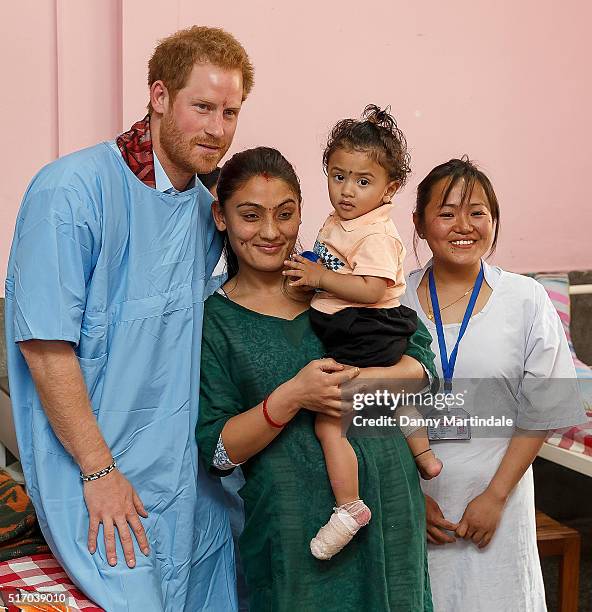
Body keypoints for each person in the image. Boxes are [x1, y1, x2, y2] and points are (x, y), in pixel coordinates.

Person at [4, 26, 253, 611]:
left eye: (230, 112)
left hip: (189, 483)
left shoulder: (202, 211)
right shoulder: (72, 190)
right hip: (98, 476)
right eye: (202, 107)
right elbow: (44, 347)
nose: (218, 129)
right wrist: (97, 472)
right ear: (159, 96)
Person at [197, 146, 435, 612]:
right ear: (220, 217)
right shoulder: (216, 322)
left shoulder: (341, 280)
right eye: (250, 215)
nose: (270, 232)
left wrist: (354, 382)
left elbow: (420, 369)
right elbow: (218, 450)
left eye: (285, 214)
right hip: (294, 532)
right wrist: (292, 396)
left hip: (388, 510)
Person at [401, 157, 587, 611]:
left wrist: (495, 497)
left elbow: (542, 408)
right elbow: (372, 407)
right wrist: (409, 500)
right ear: (420, 224)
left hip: (499, 503)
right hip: (416, 508)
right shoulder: (394, 301)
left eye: (478, 212)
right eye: (446, 213)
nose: (463, 225)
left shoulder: (526, 299)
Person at [283, 105, 442, 560]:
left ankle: (349, 507)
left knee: (330, 421)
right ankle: (424, 455)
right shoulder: (342, 222)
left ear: (390, 187)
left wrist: (319, 279)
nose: (347, 190)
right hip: (357, 326)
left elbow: (371, 289)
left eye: (363, 181)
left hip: (367, 326)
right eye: (338, 176)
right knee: (391, 390)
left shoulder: (377, 234)